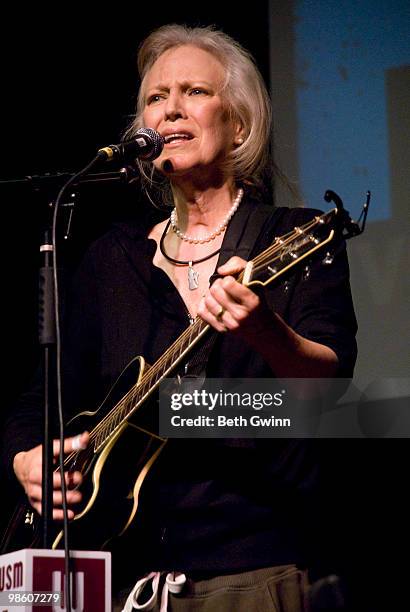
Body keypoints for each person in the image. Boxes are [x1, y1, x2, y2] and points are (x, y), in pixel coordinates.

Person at [2, 24, 357, 611]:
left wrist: (264, 332)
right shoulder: (111, 258)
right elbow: (39, 401)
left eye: (194, 91)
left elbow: (329, 391)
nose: (171, 110)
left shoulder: (292, 235)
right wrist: (26, 457)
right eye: (155, 98)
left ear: (238, 123)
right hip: (119, 577)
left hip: (249, 571)